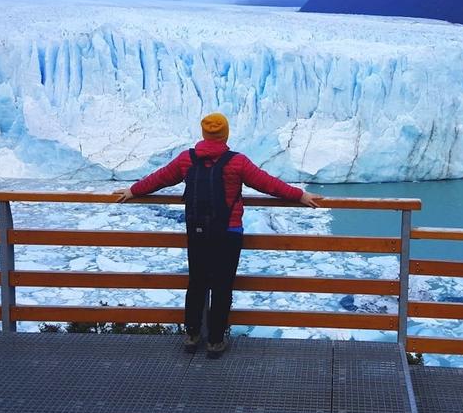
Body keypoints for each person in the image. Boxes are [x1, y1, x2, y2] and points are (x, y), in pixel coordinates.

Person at [116, 113, 321, 358]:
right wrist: (299, 195)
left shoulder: (186, 160)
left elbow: (160, 178)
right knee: (222, 286)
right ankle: (214, 341)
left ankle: (192, 336)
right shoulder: (237, 162)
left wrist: (133, 190)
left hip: (197, 230)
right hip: (228, 232)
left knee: (197, 283)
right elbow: (268, 184)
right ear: (225, 135)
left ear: (204, 134)